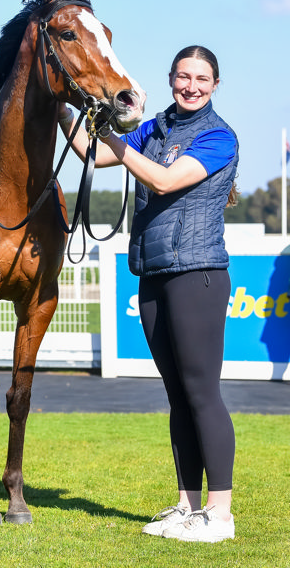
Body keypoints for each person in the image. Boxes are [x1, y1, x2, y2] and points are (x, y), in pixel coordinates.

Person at [59, 45, 239, 543]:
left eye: (201, 78)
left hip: (197, 274)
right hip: (154, 273)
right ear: (170, 79)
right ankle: (187, 506)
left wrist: (114, 137)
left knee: (203, 394)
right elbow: (93, 152)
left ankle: (219, 516)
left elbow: (160, 180)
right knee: (177, 396)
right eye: (183, 76)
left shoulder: (219, 137)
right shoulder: (156, 128)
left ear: (215, 85)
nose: (191, 86)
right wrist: (62, 106)